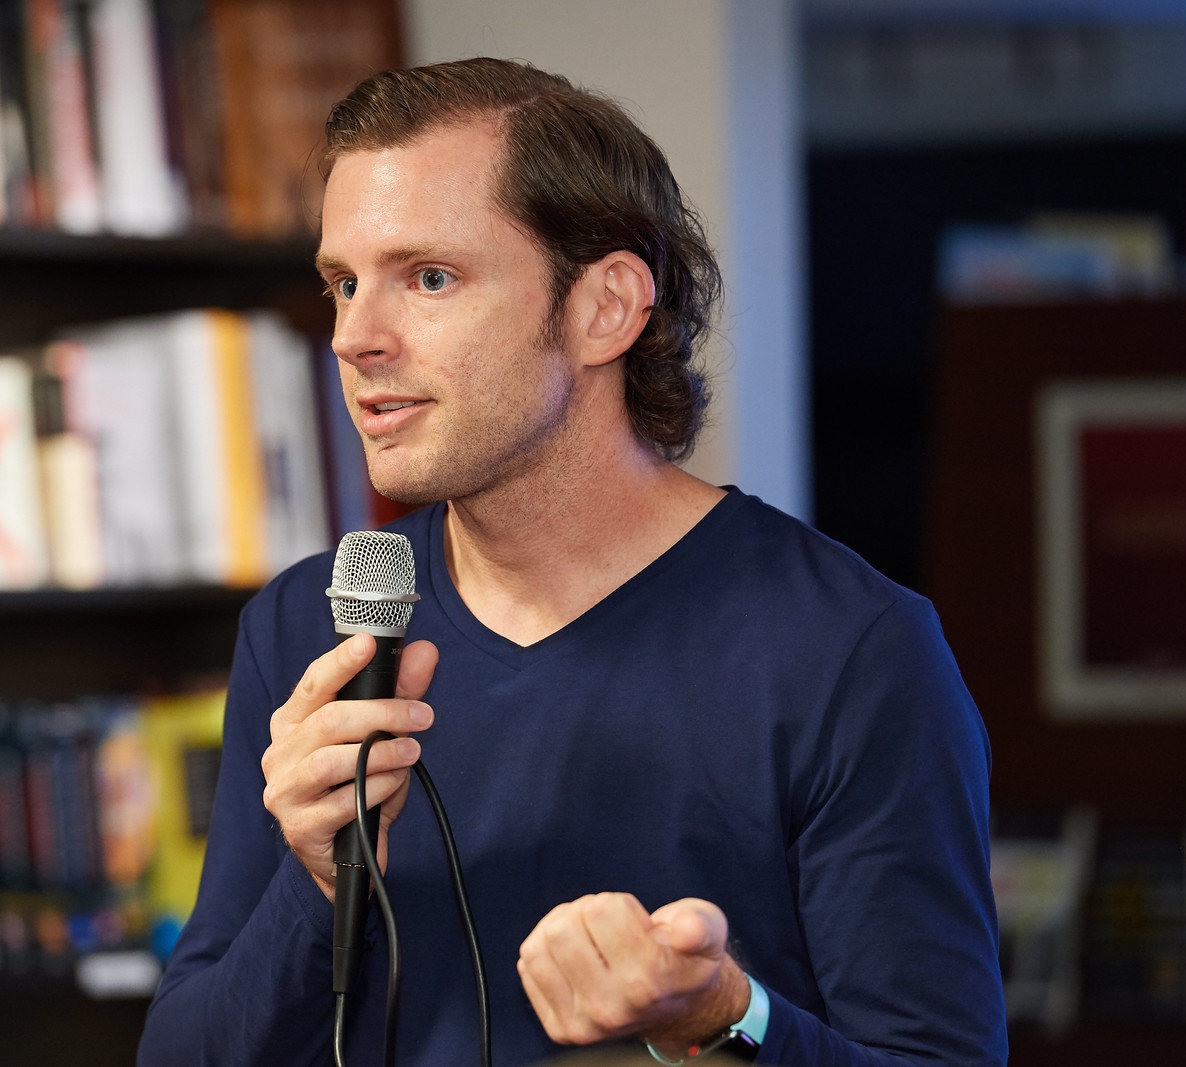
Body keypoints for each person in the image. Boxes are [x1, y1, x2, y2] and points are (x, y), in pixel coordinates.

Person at [137, 57, 1006, 1067]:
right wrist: (315, 880)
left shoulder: (849, 649)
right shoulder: (309, 627)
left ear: (605, 308)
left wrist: (723, 1015)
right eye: (342, 282)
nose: (355, 338)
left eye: (428, 277)